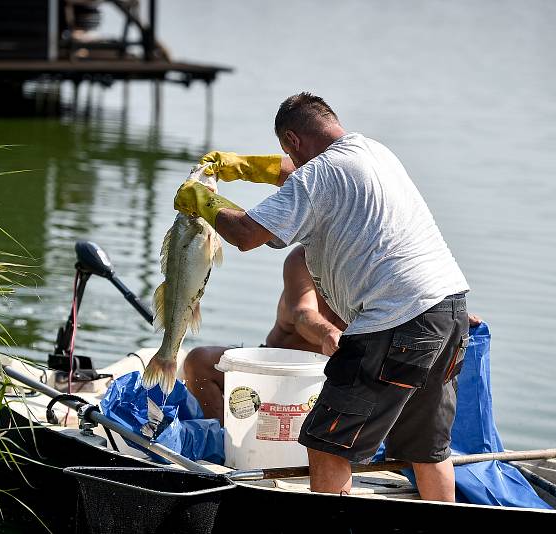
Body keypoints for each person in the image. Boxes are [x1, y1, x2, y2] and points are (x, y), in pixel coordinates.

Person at [174, 92, 470, 502]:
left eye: (286, 152)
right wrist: (244, 167)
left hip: (395, 320)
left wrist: (201, 200)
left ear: (293, 140)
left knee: (323, 441)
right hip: (448, 308)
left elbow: (244, 235)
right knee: (427, 448)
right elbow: (299, 174)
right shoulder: (371, 151)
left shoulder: (318, 176)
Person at [183, 244, 346, 424]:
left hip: (326, 384)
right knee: (199, 361)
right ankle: (223, 438)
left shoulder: (376, 267)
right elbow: (302, 313)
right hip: (271, 369)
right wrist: (328, 334)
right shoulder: (306, 256)